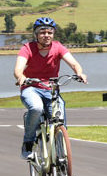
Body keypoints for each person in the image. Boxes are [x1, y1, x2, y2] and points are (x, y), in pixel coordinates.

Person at [14, 17, 88, 159]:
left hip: (50, 88)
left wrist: (79, 73)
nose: (46, 35)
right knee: (36, 108)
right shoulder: (27, 48)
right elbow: (18, 69)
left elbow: (74, 64)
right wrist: (21, 77)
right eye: (42, 32)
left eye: (50, 32)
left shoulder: (58, 47)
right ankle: (28, 142)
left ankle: (62, 159)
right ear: (36, 34)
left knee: (59, 121)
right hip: (31, 87)